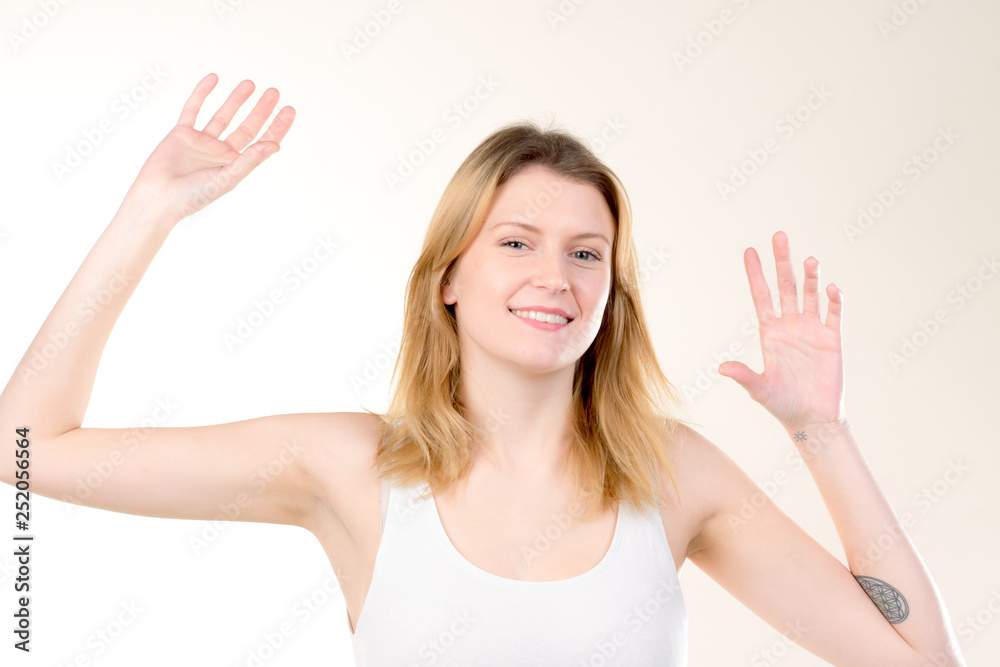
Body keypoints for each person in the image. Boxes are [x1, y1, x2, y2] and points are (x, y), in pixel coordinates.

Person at [0, 74, 965, 666]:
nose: (555, 276)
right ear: (449, 277)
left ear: (611, 292)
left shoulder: (670, 473)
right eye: (516, 242)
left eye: (586, 253)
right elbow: (26, 448)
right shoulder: (348, 465)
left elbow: (922, 664)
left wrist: (820, 432)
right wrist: (149, 211)